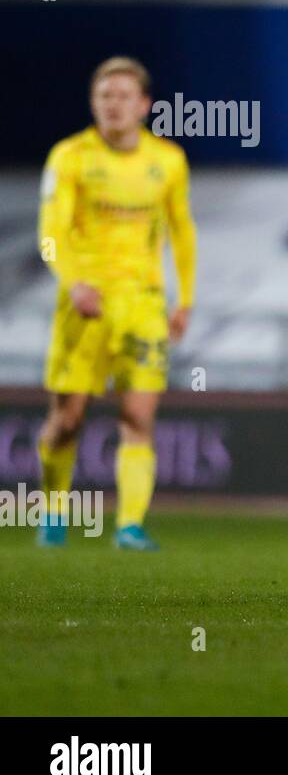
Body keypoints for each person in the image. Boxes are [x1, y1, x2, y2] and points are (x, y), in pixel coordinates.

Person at [36, 56, 196, 551]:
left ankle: (129, 526)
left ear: (144, 105)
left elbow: (182, 231)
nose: (114, 105)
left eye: (124, 96)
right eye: (105, 96)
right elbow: (50, 233)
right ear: (93, 103)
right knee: (68, 420)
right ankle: (55, 512)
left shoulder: (167, 161)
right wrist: (73, 281)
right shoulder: (69, 157)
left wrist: (185, 299)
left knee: (138, 418)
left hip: (143, 305)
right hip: (83, 302)